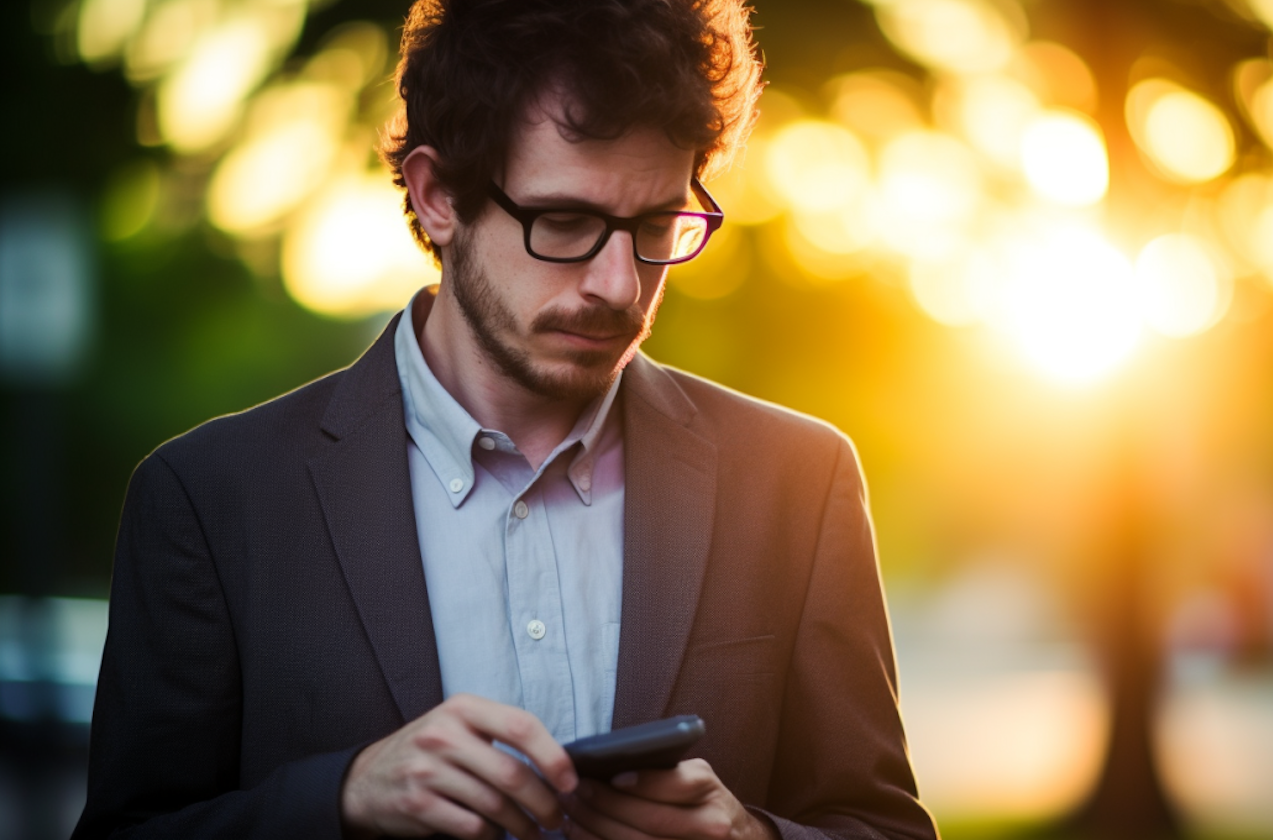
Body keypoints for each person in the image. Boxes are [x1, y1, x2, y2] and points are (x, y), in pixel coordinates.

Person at [74, 1, 936, 839]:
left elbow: (883, 824)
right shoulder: (211, 499)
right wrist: (340, 799)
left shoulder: (798, 478)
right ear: (438, 194)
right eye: (565, 221)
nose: (619, 285)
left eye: (656, 224)